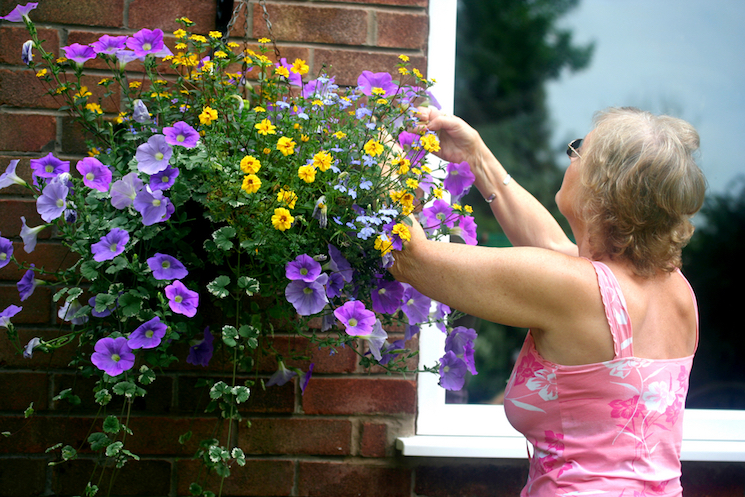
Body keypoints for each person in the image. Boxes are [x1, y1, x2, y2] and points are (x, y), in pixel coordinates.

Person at [390, 106, 706, 496]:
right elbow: (554, 246)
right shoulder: (676, 288)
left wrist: (381, 163)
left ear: (601, 184)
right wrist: (476, 154)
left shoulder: (577, 289)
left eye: (578, 151)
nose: (570, 158)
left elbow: (412, 258)